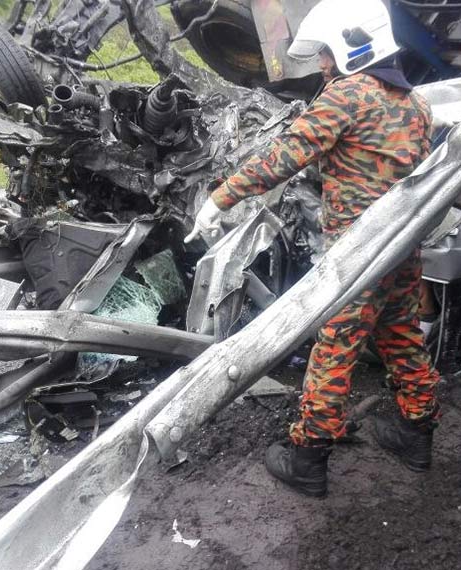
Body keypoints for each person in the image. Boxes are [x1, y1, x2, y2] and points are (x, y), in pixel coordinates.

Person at [185, 0, 440, 497]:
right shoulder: (418, 106)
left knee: (334, 350)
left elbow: (284, 155)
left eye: (326, 53)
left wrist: (220, 197)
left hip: (359, 255)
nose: (322, 63)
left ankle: (308, 458)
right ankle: (417, 435)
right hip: (403, 251)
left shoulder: (347, 96)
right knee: (403, 337)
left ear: (351, 46)